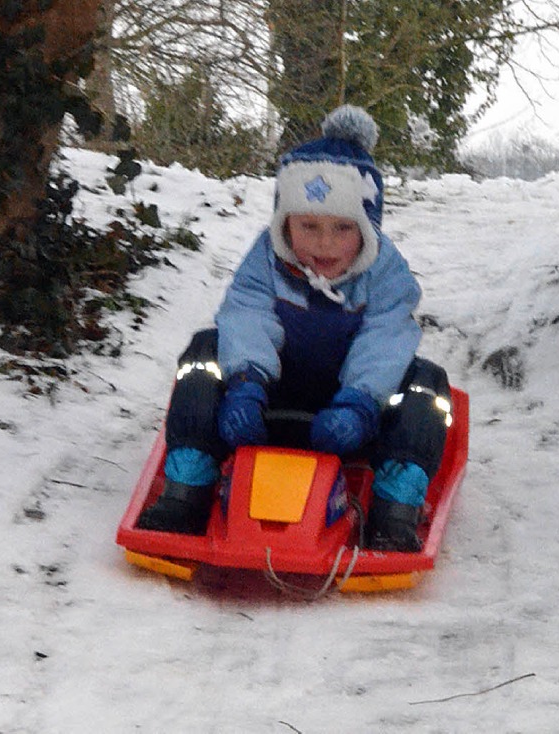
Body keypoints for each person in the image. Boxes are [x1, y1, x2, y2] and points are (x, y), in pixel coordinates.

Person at [138, 105, 451, 552]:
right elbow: (246, 314)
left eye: (342, 228)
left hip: (355, 411)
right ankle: (187, 489)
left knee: (426, 385)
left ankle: (394, 507)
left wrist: (361, 403)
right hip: (268, 397)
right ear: (284, 223)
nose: (325, 243)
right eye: (309, 226)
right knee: (203, 355)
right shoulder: (267, 258)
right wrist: (245, 383)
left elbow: (386, 338)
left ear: (367, 228)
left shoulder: (385, 272)